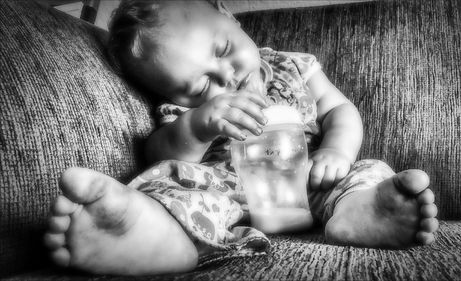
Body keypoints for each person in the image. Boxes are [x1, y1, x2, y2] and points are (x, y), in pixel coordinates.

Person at [44, 0, 439, 275]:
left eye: (223, 49)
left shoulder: (293, 67)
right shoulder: (188, 115)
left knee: (368, 170)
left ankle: (357, 214)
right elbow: (158, 153)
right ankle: (160, 239)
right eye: (200, 88)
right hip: (227, 196)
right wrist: (198, 124)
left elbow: (339, 109)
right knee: (171, 183)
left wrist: (336, 149)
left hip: (313, 181)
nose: (226, 77)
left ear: (228, 15)